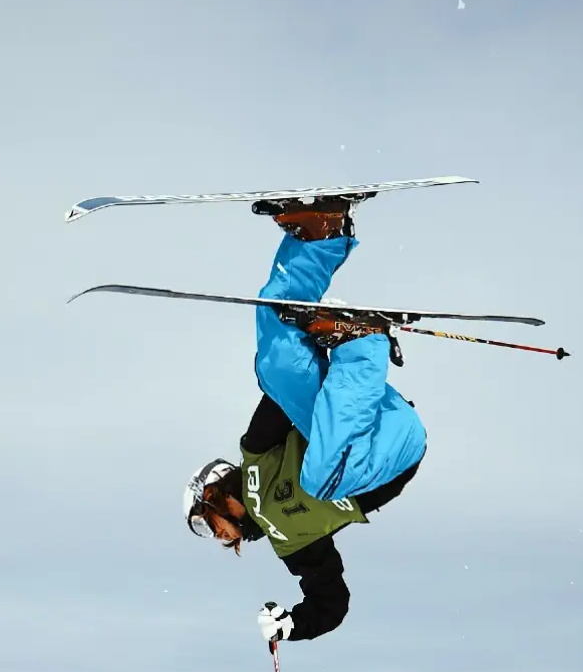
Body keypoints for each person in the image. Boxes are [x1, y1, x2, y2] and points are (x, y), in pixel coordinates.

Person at [182, 195, 427, 643]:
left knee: (276, 367)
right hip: (391, 452)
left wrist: (304, 341)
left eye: (206, 525)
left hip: (362, 414)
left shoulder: (255, 453)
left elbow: (285, 391)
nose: (217, 537)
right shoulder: (289, 544)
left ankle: (322, 235)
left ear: (213, 495)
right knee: (320, 478)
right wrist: (293, 625)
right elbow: (331, 602)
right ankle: (363, 343)